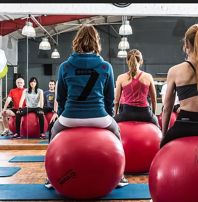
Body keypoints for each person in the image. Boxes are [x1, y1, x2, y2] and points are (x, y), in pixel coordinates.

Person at [46, 25, 128, 189]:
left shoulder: (65, 66)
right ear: (96, 42)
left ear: (76, 42)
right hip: (99, 116)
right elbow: (109, 98)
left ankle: (50, 177)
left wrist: (63, 116)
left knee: (53, 131)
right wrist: (107, 115)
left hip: (70, 117)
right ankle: (120, 175)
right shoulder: (105, 66)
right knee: (117, 131)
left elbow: (60, 97)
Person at [114, 49, 159, 127]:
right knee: (158, 127)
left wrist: (116, 115)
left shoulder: (121, 78)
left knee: (112, 124)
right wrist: (153, 115)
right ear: (141, 61)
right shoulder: (148, 76)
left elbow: (116, 101)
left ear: (127, 61)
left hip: (127, 113)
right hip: (145, 113)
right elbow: (154, 99)